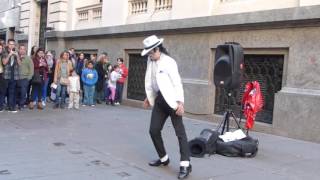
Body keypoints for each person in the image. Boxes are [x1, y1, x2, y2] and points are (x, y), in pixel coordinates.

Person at [141, 35, 191, 179]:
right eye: (148, 53)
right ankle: (163, 159)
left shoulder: (169, 62)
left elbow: (177, 82)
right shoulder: (150, 61)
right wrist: (148, 98)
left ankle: (185, 164)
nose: (150, 56)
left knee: (179, 133)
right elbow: (151, 82)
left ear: (158, 49)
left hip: (173, 101)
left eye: (151, 53)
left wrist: (180, 102)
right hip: (159, 100)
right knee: (154, 130)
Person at [2, 39, 21, 112]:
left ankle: (11, 107)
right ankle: (2, 106)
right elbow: (4, 63)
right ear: (8, 44)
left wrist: (17, 56)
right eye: (10, 44)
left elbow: (20, 64)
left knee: (12, 92)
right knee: (3, 91)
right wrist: (9, 55)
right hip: (6, 75)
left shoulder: (16, 53)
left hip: (14, 76)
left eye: (13, 44)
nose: (11, 45)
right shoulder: (4, 52)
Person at [17, 44, 33, 110]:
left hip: (25, 78)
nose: (22, 50)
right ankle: (17, 103)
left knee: (23, 92)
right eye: (21, 49)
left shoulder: (28, 58)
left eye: (24, 49)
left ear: (25, 50)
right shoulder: (16, 57)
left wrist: (28, 78)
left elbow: (31, 69)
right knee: (17, 92)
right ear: (19, 49)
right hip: (16, 78)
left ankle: (21, 105)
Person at [0, 43, 7, 112]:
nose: (0, 50)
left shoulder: (3, 56)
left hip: (2, 75)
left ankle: (1, 106)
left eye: (1, 48)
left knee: (2, 91)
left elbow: (4, 63)